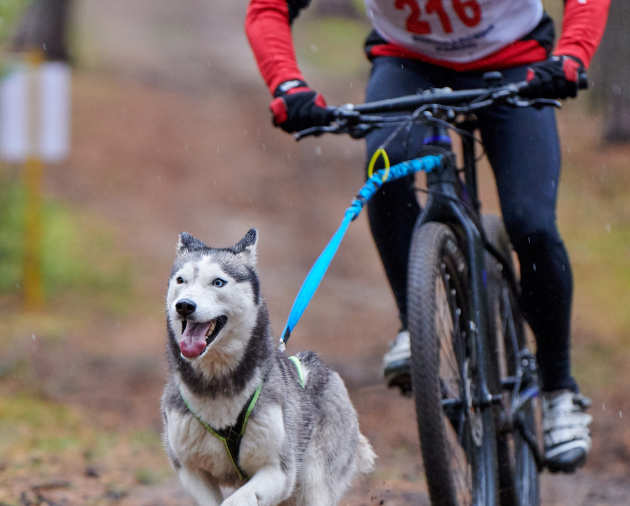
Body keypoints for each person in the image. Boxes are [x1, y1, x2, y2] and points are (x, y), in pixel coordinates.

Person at [245, 0, 608, 473]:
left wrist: (572, 56)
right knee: (387, 175)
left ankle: (560, 389)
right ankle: (411, 325)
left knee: (532, 225)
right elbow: (268, 7)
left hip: (515, 60)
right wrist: (287, 83)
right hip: (407, 63)